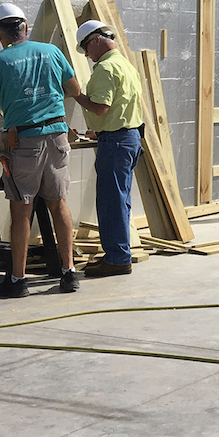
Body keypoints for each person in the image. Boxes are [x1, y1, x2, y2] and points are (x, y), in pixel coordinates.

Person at [0, 2, 82, 297]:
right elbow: (74, 89)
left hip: (26, 141)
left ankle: (17, 280)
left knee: (22, 208)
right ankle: (69, 272)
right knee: (58, 203)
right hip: (58, 135)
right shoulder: (51, 52)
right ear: (24, 27)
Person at [69, 20, 144, 278]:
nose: (87, 55)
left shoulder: (105, 68)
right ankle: (117, 254)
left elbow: (101, 107)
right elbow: (119, 108)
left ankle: (118, 259)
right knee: (119, 201)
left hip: (116, 143)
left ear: (97, 40)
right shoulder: (125, 65)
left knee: (111, 202)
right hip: (128, 137)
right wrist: (101, 129)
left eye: (86, 49)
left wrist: (76, 93)